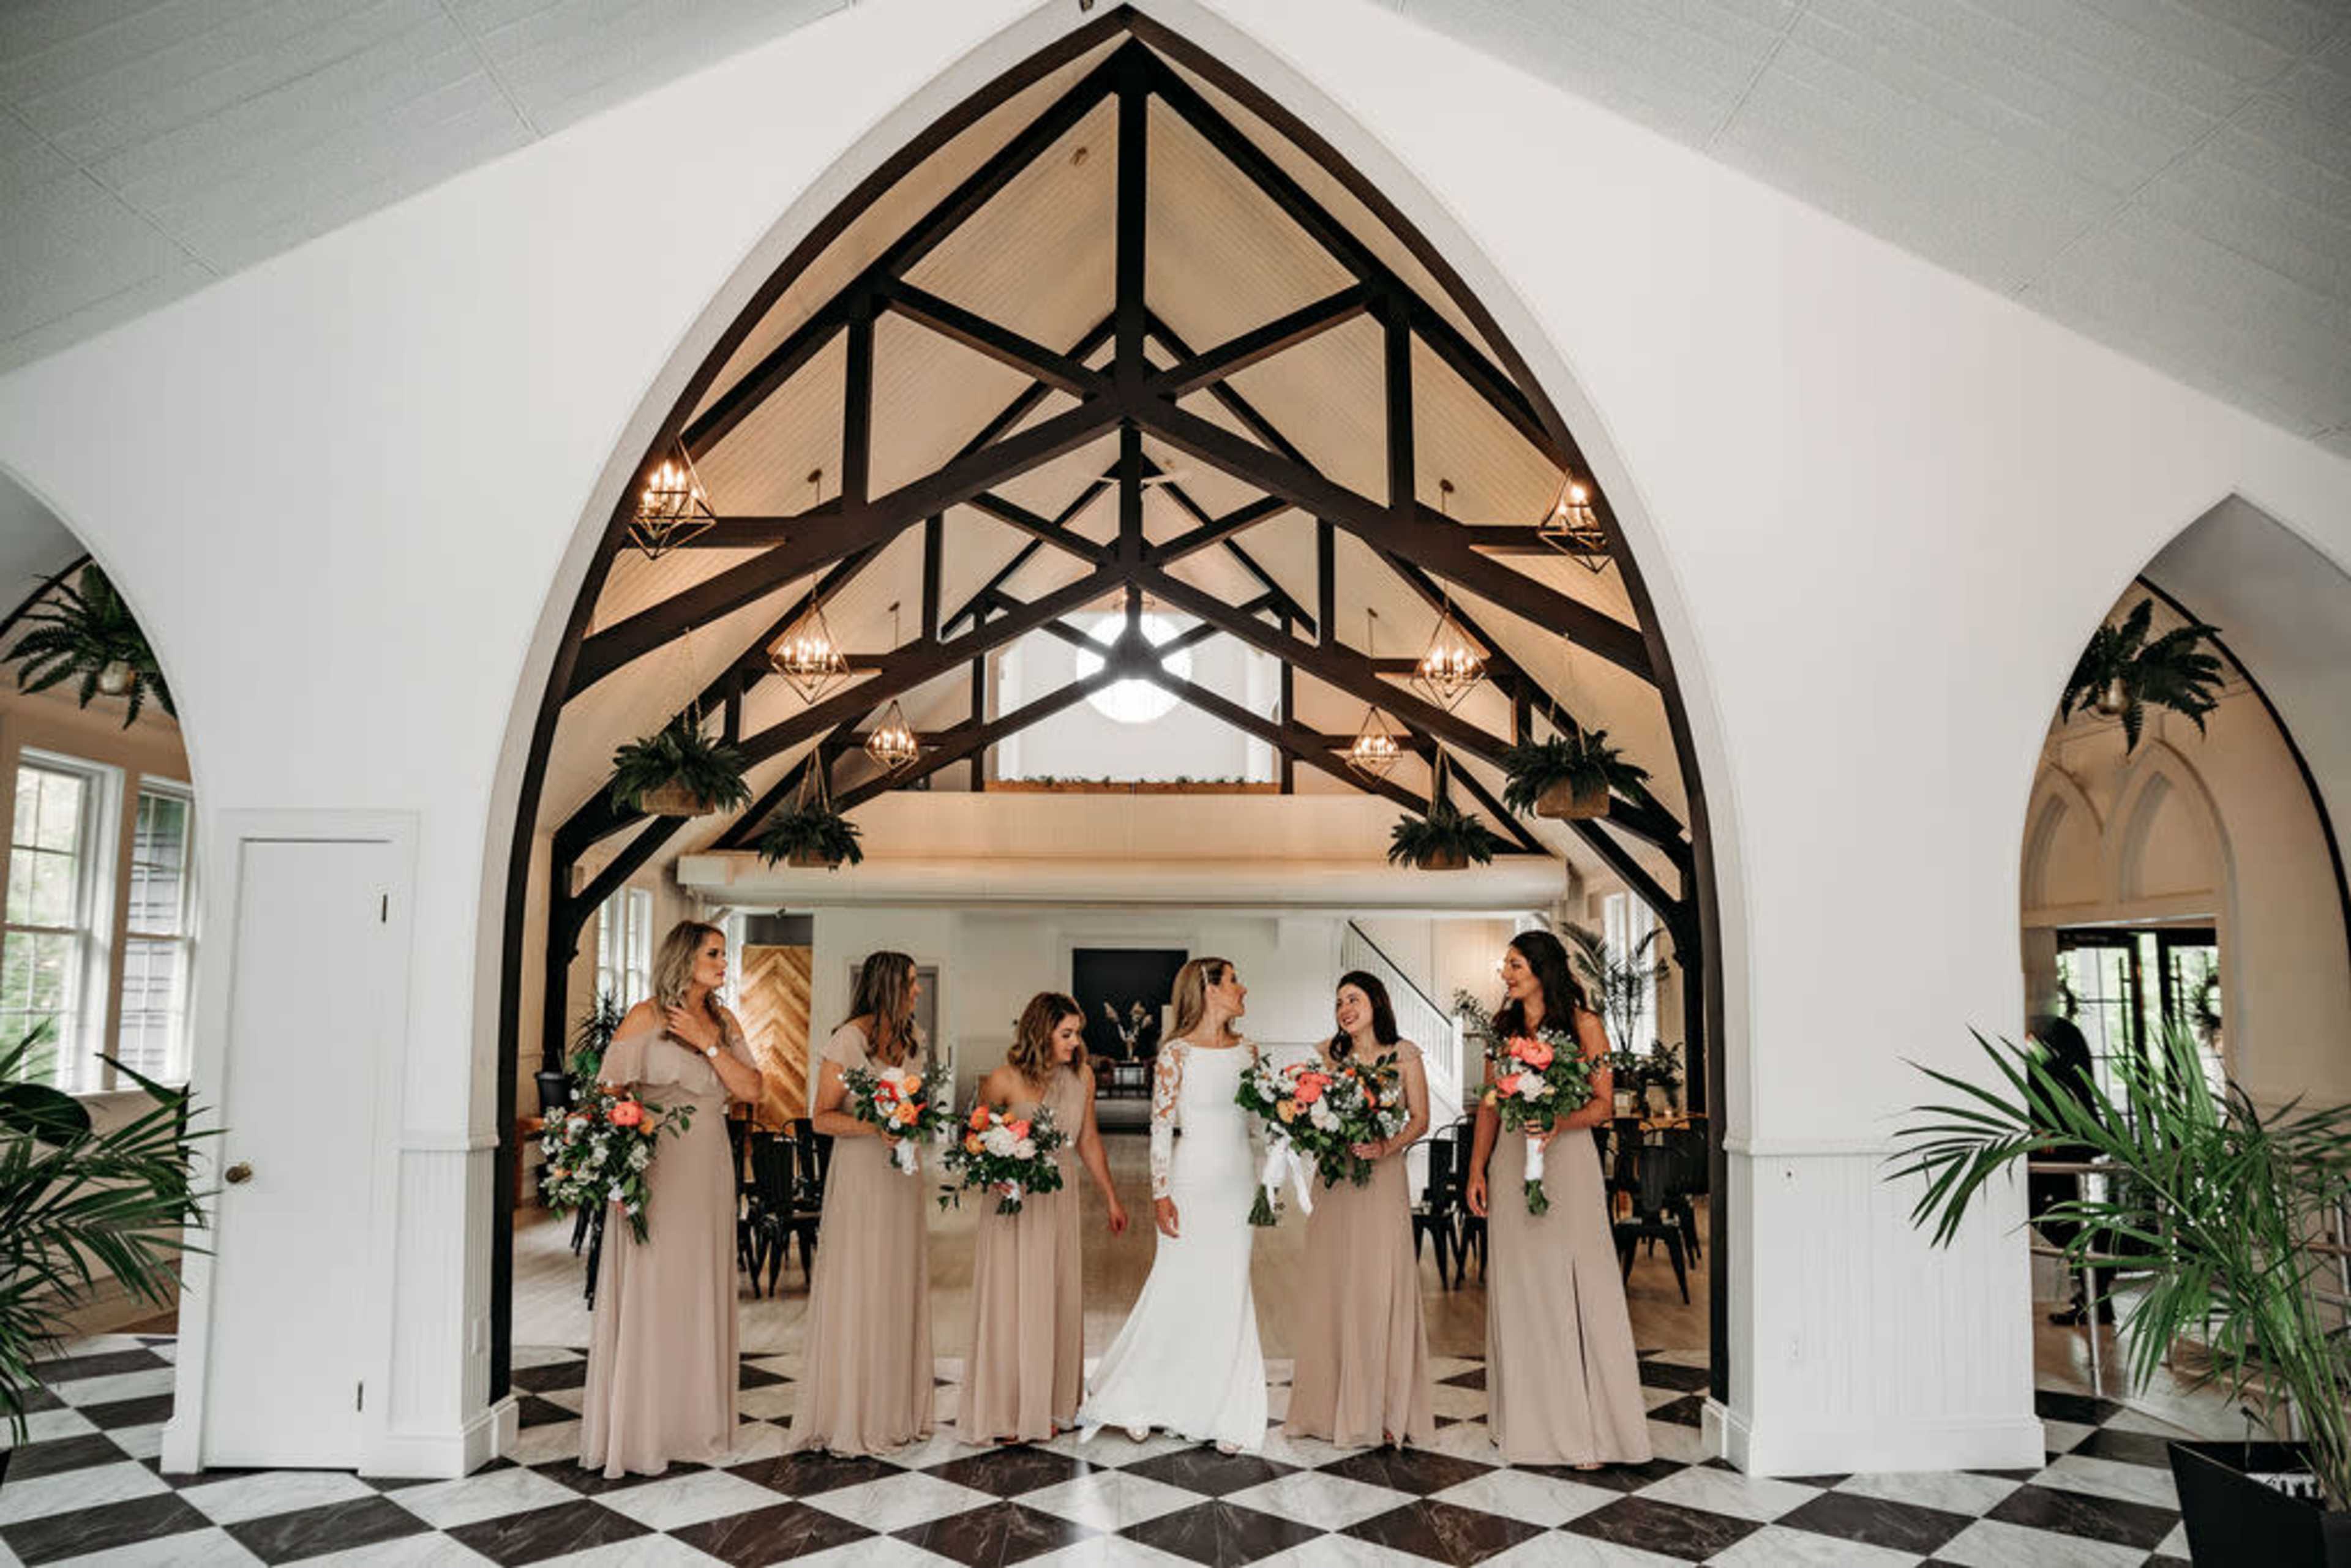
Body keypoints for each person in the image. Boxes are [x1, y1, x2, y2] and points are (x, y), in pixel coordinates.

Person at [580, 920, 767, 1477]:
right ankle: (645, 1425)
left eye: (724, 953)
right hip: (657, 1171)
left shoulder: (724, 1022)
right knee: (655, 1285)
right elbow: (607, 1096)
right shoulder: (645, 1017)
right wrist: (625, 1148)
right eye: (714, 952)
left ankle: (693, 1422)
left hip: (709, 1167)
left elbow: (753, 1089)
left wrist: (707, 1044)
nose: (723, 962)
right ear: (685, 957)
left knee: (700, 1284)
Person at [1466, 929, 1651, 1469]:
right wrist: (1476, 1169)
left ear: (1542, 968)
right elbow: (1489, 1108)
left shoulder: (1586, 1026)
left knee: (1574, 1285)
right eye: (1505, 964)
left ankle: (1582, 1429)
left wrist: (1556, 1121)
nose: (1506, 973)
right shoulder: (1501, 1034)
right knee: (1520, 1287)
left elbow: (1603, 1107)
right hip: (1508, 1164)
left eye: (1515, 963)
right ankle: (1522, 1421)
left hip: (1567, 1165)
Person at [1079, 957, 1267, 1452]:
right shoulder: (1175, 1054)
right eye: (1233, 979)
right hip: (1190, 1180)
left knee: (1229, 1286)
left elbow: (1259, 1123)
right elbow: (1160, 1127)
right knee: (1178, 1282)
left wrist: (1273, 1174)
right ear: (1208, 989)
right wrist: (1161, 1192)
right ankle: (1143, 1394)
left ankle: (1225, 1406)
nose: (1242, 987)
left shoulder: (1250, 1051)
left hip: (1238, 1182)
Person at [960, 992, 1130, 1444]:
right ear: (1041, 1032)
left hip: (1058, 1196)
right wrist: (998, 1165)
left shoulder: (1083, 1076)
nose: (1076, 1042)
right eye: (1067, 1034)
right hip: (1012, 1201)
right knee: (1012, 1297)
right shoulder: (1002, 1079)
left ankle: (1050, 1403)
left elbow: (1089, 1139)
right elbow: (973, 1138)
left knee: (1052, 1295)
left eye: (1078, 1033)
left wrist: (1111, 1196)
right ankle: (1011, 1408)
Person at [786, 951, 936, 1454]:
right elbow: (823, 1116)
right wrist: (878, 1126)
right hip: (859, 1174)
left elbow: (917, 1106)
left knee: (897, 1279)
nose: (917, 991)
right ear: (889, 986)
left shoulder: (914, 1040)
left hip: (901, 1178)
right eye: (911, 983)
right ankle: (851, 1409)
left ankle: (896, 1406)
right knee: (861, 1282)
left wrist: (912, 1123)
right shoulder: (847, 1039)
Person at [1283, 971, 1436, 1449]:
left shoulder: (1404, 1053)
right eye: (1338, 1002)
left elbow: (1421, 1117)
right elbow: (1309, 1110)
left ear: (1376, 1001)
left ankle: (1386, 1409)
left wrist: (1387, 1144)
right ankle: (1329, 1407)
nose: (1344, 1008)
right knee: (1335, 1283)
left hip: (1384, 1179)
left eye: (1353, 998)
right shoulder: (1327, 1054)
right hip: (1336, 1180)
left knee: (1379, 1284)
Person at [2028, 1006, 2109, 1326]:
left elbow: (2055, 1082)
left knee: (2061, 1216)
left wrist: (2048, 1125)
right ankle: (2096, 1290)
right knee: (2063, 1217)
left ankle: (2097, 1282)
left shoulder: (2049, 1037)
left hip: (2061, 1144)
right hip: (2065, 1141)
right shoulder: (2055, 1033)